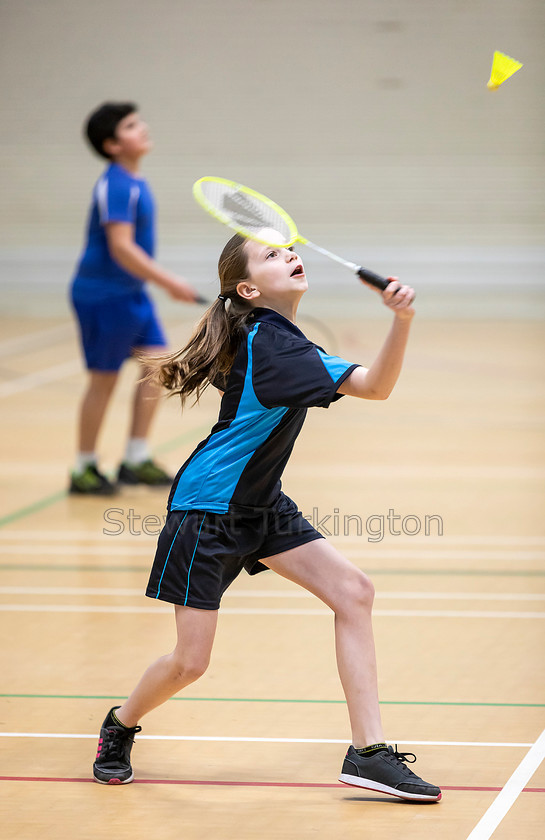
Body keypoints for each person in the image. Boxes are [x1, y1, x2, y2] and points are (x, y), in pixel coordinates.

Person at [92, 231, 442, 802]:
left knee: (353, 592)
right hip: (207, 508)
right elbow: (375, 388)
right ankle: (120, 724)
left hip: (258, 503)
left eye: (289, 250)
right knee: (189, 662)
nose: (290, 256)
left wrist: (400, 321)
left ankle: (369, 753)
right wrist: (399, 319)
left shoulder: (279, 337)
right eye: (272, 255)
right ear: (249, 288)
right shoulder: (273, 343)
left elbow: (372, 385)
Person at [69, 101, 201, 495]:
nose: (141, 128)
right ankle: (84, 468)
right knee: (104, 380)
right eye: (130, 125)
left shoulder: (135, 181)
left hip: (131, 293)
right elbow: (121, 247)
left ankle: (136, 458)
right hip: (103, 295)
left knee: (157, 365)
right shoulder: (117, 184)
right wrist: (169, 282)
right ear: (111, 145)